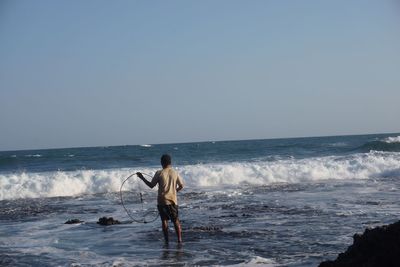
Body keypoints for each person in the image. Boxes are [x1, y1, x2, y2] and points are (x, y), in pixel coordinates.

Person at [136, 154, 184, 243]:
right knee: (176, 221)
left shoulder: (159, 173)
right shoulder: (175, 172)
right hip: (172, 200)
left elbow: (151, 185)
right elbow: (181, 186)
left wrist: (142, 177)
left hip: (162, 201)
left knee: (164, 221)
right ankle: (179, 240)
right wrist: (174, 191)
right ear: (170, 162)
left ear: (162, 163)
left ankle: (166, 241)